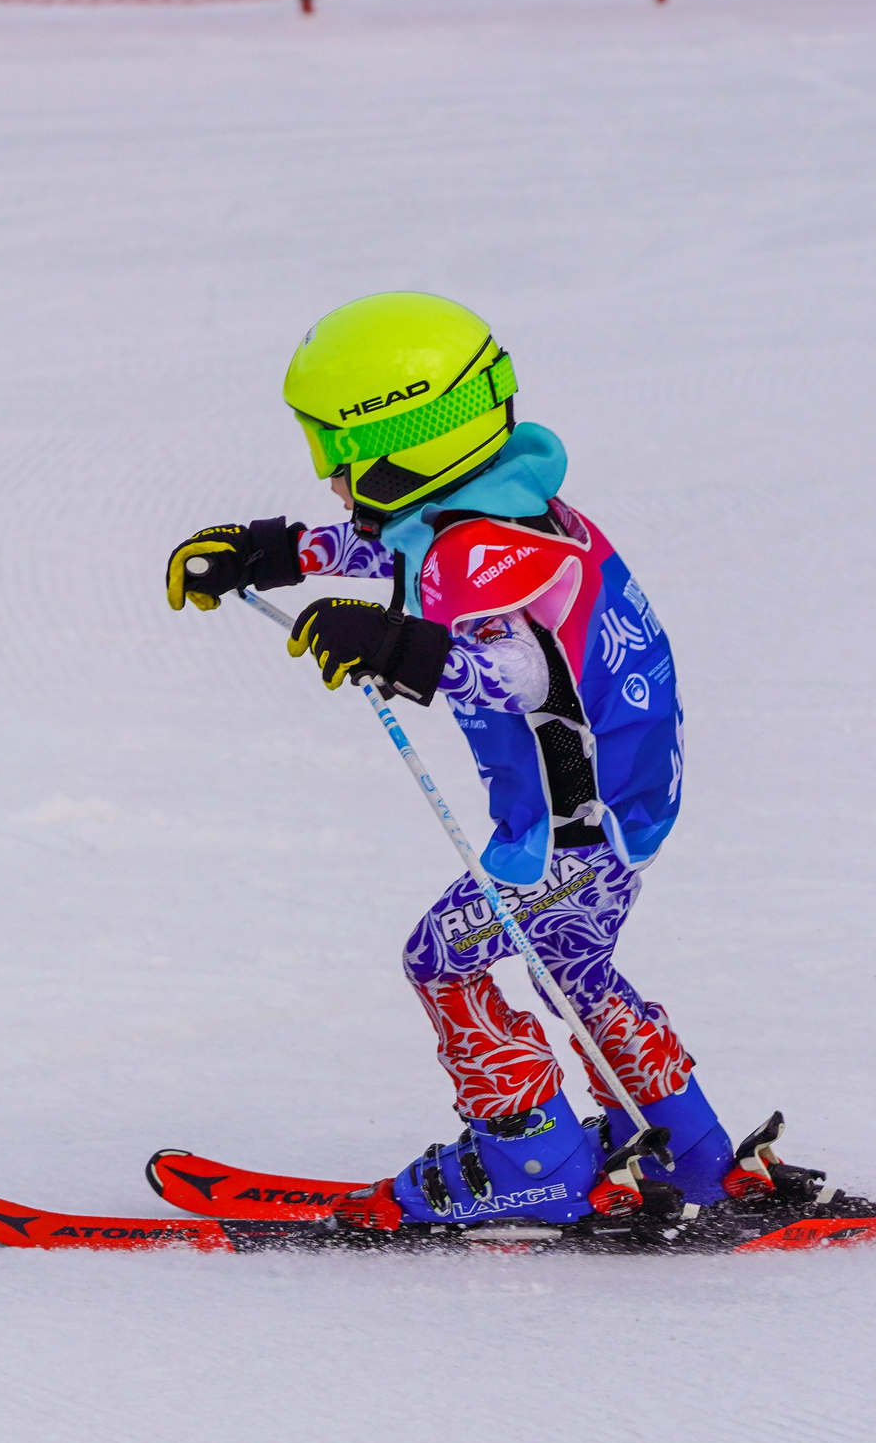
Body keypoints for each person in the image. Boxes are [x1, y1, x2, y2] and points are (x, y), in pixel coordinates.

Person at [165, 290, 776, 1229]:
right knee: (572, 965)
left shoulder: (481, 553)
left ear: (401, 442)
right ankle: (688, 1152)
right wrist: (268, 553)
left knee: (442, 958)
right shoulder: (499, 510)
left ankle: (535, 1161)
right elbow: (395, 550)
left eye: (335, 450)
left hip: (573, 830)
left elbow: (518, 672)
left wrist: (393, 646)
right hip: (622, 808)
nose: (330, 478)